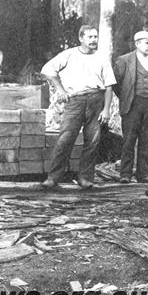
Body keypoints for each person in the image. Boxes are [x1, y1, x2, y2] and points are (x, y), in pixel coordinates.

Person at [40, 25, 115, 190]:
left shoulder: (102, 58)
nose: (94, 40)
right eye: (90, 37)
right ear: (81, 38)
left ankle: (85, 178)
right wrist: (60, 90)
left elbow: (109, 86)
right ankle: (53, 178)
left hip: (96, 100)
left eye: (95, 37)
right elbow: (47, 70)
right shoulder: (69, 54)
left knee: (93, 141)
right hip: (75, 101)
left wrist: (106, 110)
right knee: (65, 139)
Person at [113, 31, 148, 184]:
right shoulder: (124, 60)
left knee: (147, 141)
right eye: (147, 43)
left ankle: (144, 174)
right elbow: (116, 84)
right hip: (132, 105)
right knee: (129, 140)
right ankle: (125, 174)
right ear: (137, 44)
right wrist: (127, 97)